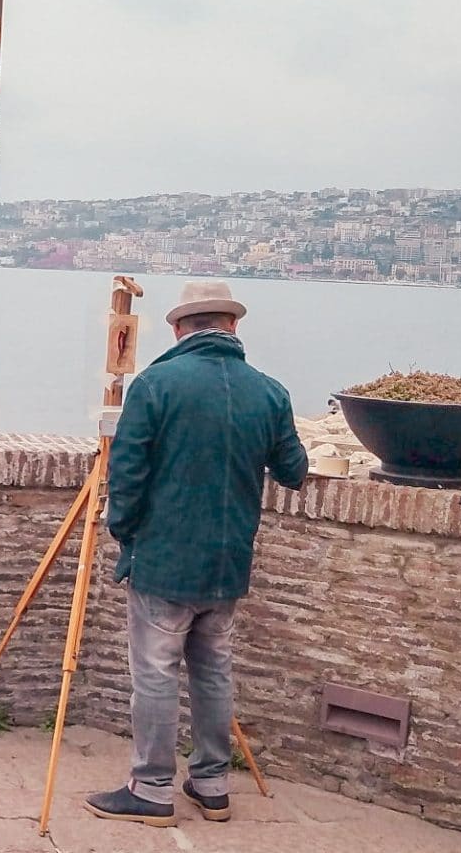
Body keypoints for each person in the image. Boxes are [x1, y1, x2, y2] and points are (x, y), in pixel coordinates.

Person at [85, 280, 308, 827]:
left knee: (157, 673)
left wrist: (125, 534)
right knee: (213, 672)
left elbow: (127, 476)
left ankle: (153, 787)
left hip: (164, 559)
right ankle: (212, 784)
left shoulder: (156, 385)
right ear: (231, 327)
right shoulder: (270, 392)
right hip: (229, 561)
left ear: (179, 328)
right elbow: (294, 471)